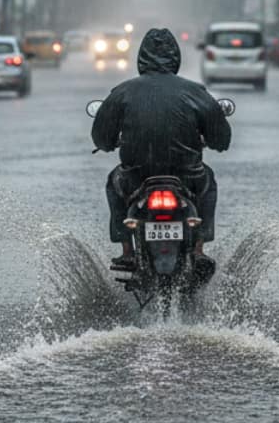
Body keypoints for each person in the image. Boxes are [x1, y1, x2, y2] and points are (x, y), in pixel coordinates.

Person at [91, 28, 232, 268]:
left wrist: (111, 143)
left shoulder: (122, 92)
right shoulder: (196, 92)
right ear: (176, 57)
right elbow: (221, 139)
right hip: (188, 176)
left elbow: (101, 138)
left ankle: (127, 250)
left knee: (113, 182)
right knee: (208, 180)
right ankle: (199, 248)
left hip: (136, 176)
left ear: (141, 58)